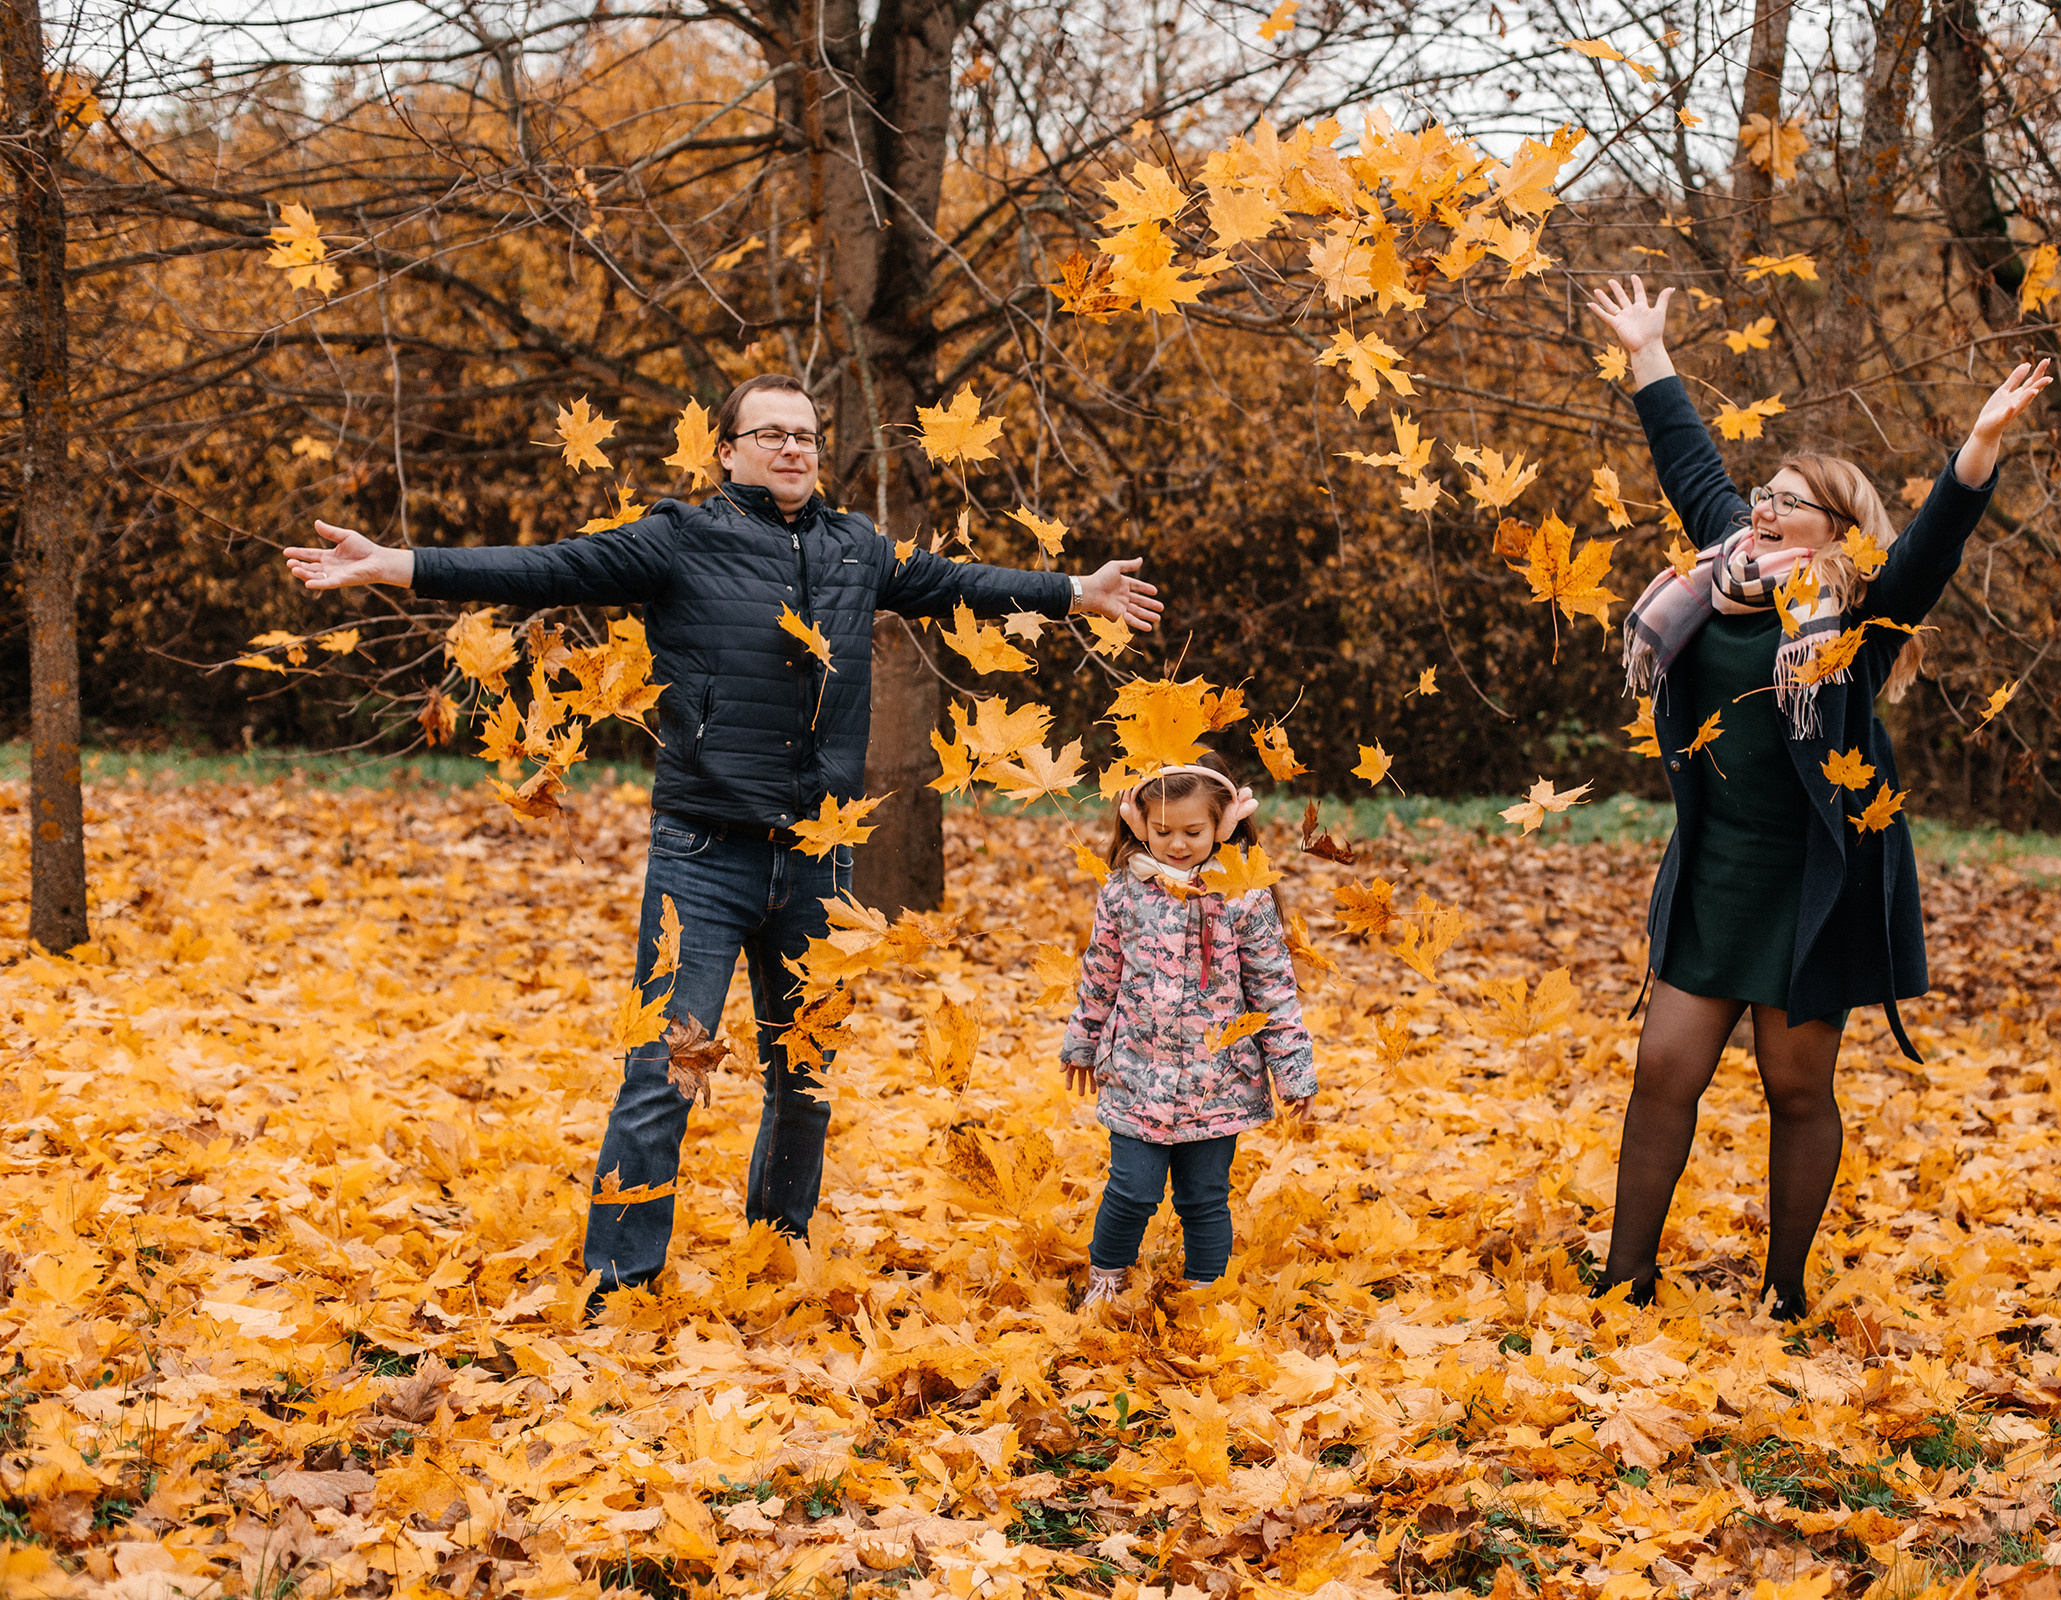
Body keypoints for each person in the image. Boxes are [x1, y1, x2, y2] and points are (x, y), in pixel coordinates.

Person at [282, 373, 1165, 1305]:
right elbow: (546, 567)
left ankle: (776, 1263)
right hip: (703, 853)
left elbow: (958, 584)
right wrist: (394, 564)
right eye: (772, 434)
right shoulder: (680, 537)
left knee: (806, 1075)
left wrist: (1076, 589)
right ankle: (620, 1283)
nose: (793, 450)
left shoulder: (855, 549)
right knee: (663, 1070)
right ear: (729, 452)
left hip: (820, 852)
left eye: (808, 438)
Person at [1586, 277, 2051, 1322]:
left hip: (1814, 882)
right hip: (1716, 868)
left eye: (1789, 497)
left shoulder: (1859, 616)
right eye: (1767, 489)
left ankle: (1785, 1294)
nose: (1762, 504)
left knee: (1795, 1089)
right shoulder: (1721, 567)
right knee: (1664, 1068)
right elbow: (1690, 462)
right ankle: (1626, 1278)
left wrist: (1977, 448)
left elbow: (1933, 548)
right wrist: (1649, 353)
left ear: (1837, 529)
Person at [1059, 754, 1316, 1307]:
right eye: (1162, 830)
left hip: (1217, 1082)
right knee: (1132, 1189)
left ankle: (1204, 1293)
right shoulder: (1124, 893)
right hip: (1137, 1072)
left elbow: (1273, 988)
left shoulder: (1244, 895)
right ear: (1137, 823)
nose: (1177, 844)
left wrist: (1293, 1072)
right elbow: (1101, 971)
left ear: (1224, 825)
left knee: (1204, 1196)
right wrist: (1082, 1041)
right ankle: (1106, 1281)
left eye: (1193, 831)